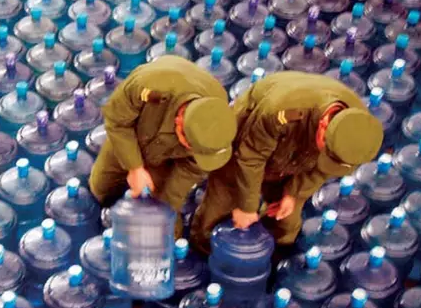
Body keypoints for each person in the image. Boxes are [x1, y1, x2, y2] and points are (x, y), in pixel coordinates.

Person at [187, 69, 386, 255]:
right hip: (248, 140)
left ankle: (270, 262)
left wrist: (293, 193)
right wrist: (247, 206)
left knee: (287, 223)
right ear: (324, 125)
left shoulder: (359, 134)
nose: (328, 157)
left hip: (299, 160)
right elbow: (250, 158)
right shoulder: (281, 112)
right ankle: (203, 252)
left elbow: (325, 169)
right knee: (216, 213)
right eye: (326, 151)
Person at [85, 55, 236, 213]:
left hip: (168, 157)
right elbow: (116, 121)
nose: (193, 151)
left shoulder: (216, 125)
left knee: (158, 207)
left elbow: (190, 170)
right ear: (179, 120)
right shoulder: (149, 88)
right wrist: (135, 167)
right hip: (130, 134)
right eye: (190, 145)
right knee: (100, 187)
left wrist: (166, 212)